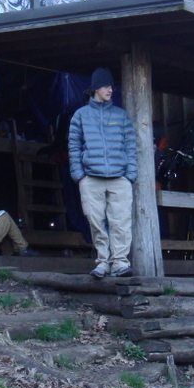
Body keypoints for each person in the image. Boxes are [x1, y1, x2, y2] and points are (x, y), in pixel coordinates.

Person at [68, 67, 138, 278]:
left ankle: (119, 263)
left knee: (121, 222)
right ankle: (102, 263)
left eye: (112, 87)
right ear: (95, 88)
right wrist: (79, 176)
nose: (110, 90)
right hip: (91, 178)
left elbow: (131, 147)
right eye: (107, 86)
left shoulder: (121, 115)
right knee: (96, 221)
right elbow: (74, 147)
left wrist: (129, 176)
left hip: (119, 178)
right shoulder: (80, 115)